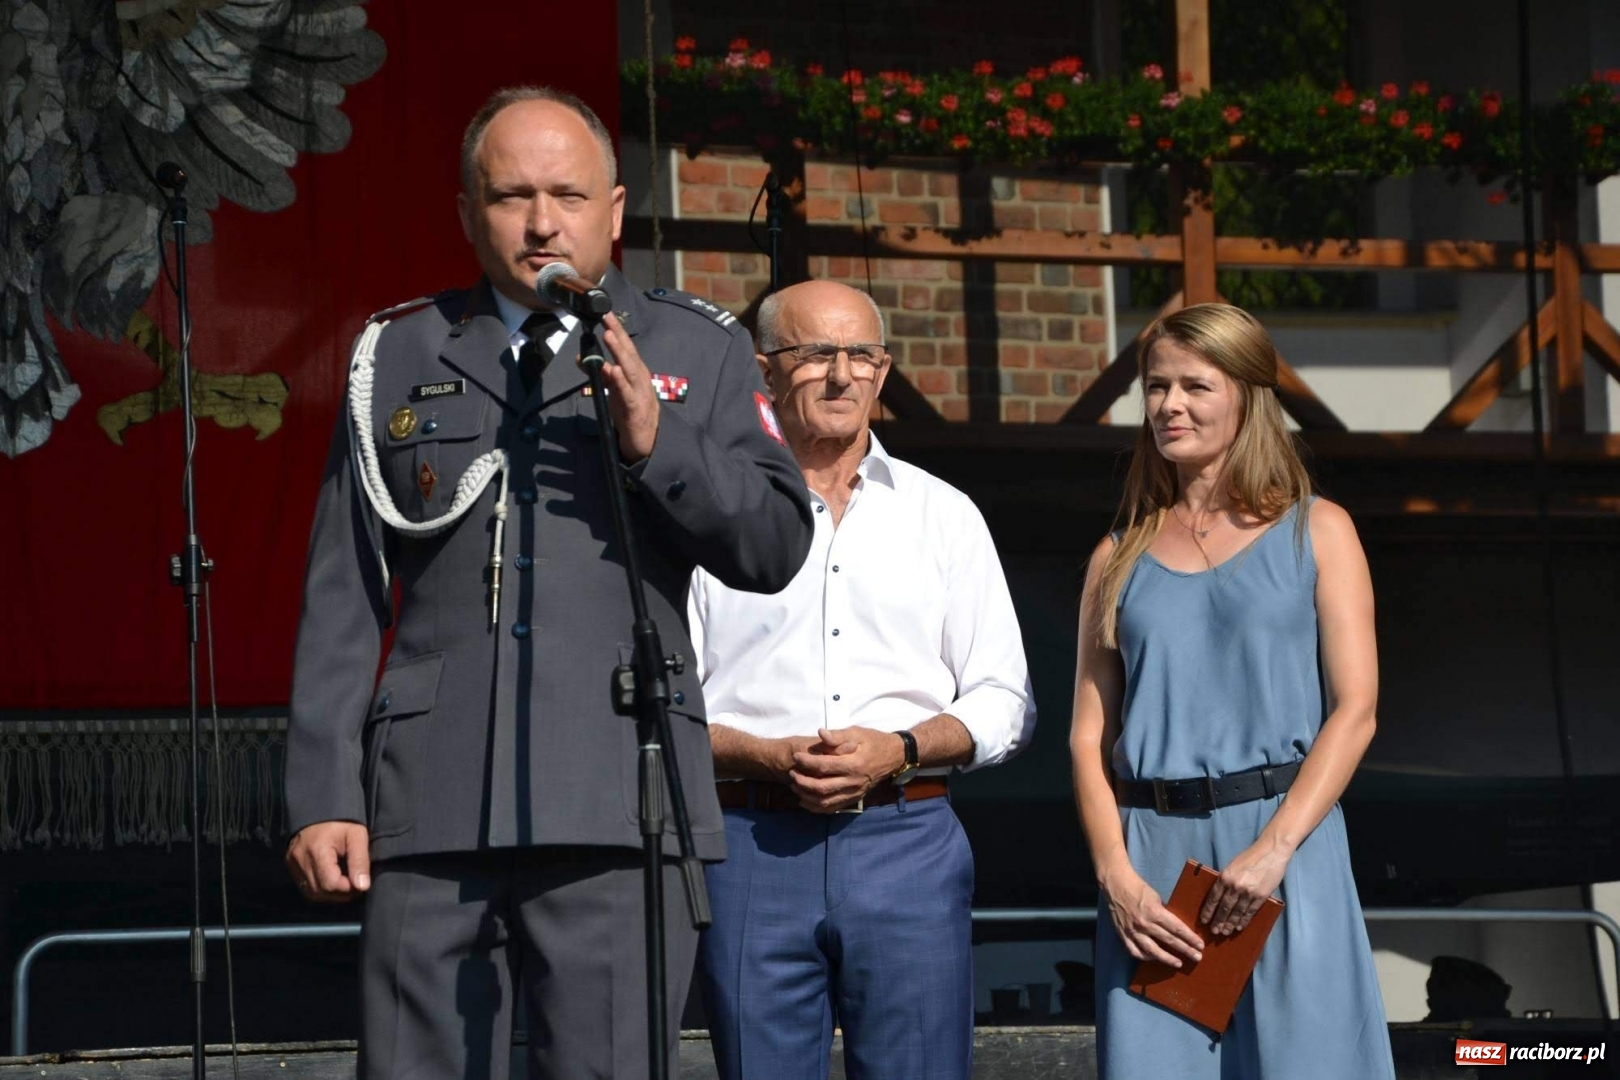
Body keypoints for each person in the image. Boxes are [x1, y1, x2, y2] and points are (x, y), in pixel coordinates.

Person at [281, 85, 813, 1079]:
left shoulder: (698, 346)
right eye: (511, 196)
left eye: (567, 194)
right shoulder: (396, 353)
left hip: (620, 793)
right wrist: (323, 794)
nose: (539, 223)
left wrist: (659, 444)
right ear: (466, 213)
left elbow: (776, 544)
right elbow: (343, 590)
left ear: (614, 210)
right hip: (430, 800)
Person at [686, 280, 1036, 1080]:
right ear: (764, 369)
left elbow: (1004, 700)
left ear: (883, 372)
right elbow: (673, 709)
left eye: (861, 356)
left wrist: (901, 747)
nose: (842, 375)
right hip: (747, 843)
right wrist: (765, 754)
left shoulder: (943, 515)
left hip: (906, 838)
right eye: (815, 354)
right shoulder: (713, 517)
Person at [1068, 303, 1395, 1077]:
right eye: (1156, 387)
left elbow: (1357, 711)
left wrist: (1273, 852)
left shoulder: (1319, 531)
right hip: (1152, 865)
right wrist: (1116, 877)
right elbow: (1088, 736)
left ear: (1248, 395)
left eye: (1194, 386)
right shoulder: (1115, 555)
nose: (1169, 405)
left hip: (1285, 850)